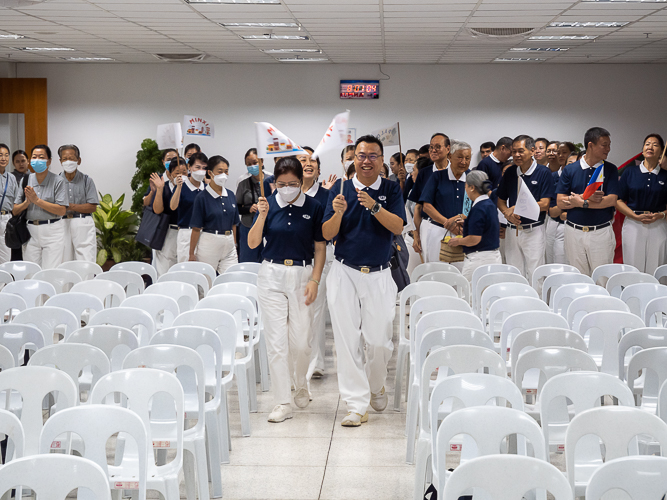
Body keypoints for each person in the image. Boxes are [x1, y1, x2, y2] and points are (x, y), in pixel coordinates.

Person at [322, 135, 406, 427]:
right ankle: (356, 405)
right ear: (352, 159)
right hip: (344, 271)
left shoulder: (391, 189)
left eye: (373, 155)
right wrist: (338, 212)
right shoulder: (340, 188)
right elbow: (327, 233)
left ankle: (376, 385)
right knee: (347, 340)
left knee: (379, 341)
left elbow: (398, 226)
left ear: (382, 160)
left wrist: (373, 206)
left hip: (380, 273)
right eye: (361, 155)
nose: (366, 160)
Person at [248, 157, 325, 423]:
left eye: (293, 183)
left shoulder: (314, 207)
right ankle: (282, 401)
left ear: (302, 181)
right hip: (271, 276)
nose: (288, 188)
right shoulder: (268, 205)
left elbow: (319, 247)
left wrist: (315, 280)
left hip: (303, 274)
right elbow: (253, 242)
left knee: (302, 343)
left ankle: (301, 382)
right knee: (277, 344)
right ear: (274, 183)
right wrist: (262, 215)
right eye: (282, 184)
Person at [557, 127, 619, 276]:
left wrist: (581, 202)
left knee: (602, 278)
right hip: (574, 232)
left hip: (601, 232)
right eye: (604, 145)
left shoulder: (610, 169)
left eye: (609, 145)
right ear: (590, 145)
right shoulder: (570, 170)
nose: (608, 149)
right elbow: (560, 202)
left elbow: (611, 200)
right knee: (579, 278)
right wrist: (586, 197)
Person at [297, 147, 334, 381]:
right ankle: (299, 360)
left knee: (318, 312)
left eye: (313, 160)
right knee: (300, 312)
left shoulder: (325, 195)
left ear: (318, 169)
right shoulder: (288, 193)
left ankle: (317, 361)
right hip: (296, 260)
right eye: (303, 160)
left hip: (319, 259)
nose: (308, 163)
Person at [497, 135, 554, 282]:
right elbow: (501, 200)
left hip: (533, 230)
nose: (516, 155)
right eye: (514, 151)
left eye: (521, 151)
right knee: (514, 272)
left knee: (535, 272)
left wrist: (516, 208)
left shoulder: (543, 172)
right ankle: (516, 303)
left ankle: (537, 303)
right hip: (512, 230)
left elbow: (545, 204)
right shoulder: (510, 172)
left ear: (532, 150)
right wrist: (506, 213)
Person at [616, 134, 667, 275]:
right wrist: (634, 216)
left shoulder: (665, 175)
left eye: (655, 144)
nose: (650, 146)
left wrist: (661, 215)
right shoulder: (630, 172)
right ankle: (631, 296)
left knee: (656, 266)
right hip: (633, 223)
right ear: (643, 149)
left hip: (658, 224)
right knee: (633, 267)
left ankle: (655, 295)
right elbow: (618, 200)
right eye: (647, 143)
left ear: (662, 152)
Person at [13, 144, 68, 269]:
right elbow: (15, 210)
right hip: (30, 231)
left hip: (52, 230)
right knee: (31, 271)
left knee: (50, 270)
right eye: (34, 157)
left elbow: (61, 210)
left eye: (41, 157)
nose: (37, 160)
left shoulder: (58, 180)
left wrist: (37, 201)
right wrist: (27, 203)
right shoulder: (26, 179)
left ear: (49, 161)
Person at [419, 140, 472, 268]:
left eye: (467, 158)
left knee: (462, 272)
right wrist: (447, 223)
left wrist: (463, 222)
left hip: (464, 232)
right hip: (439, 231)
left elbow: (480, 204)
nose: (463, 162)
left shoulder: (472, 178)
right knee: (437, 271)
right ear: (450, 156)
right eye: (459, 157)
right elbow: (426, 206)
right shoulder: (437, 177)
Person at [189, 155, 239, 273]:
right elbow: (196, 228)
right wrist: (191, 253)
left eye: (226, 171)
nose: (224, 175)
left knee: (230, 277)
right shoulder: (202, 197)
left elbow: (234, 224)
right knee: (207, 278)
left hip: (229, 243)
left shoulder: (231, 195)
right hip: (210, 242)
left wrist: (234, 244)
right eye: (220, 171)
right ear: (210, 173)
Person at [448, 170, 500, 281]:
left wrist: (458, 241)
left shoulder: (478, 208)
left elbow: (474, 239)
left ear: (472, 187)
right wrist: (468, 224)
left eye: (466, 186)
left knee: (469, 294)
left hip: (479, 259)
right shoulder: (489, 204)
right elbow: (487, 225)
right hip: (493, 257)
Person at [409, 133, 450, 260]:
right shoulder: (425, 173)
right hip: (429, 225)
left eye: (438, 147)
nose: (433, 150)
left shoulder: (456, 172)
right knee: (431, 265)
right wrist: (416, 235)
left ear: (448, 148)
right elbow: (418, 207)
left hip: (454, 226)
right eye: (431, 147)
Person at [58, 144, 99, 263]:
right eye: (65, 159)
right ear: (60, 161)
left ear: (78, 160)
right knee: (63, 260)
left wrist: (69, 206)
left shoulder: (87, 180)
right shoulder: (55, 181)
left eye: (71, 158)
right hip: (61, 223)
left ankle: (86, 282)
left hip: (83, 222)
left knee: (86, 259)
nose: (68, 162)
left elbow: (92, 207)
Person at [152, 157, 187, 276]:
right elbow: (157, 210)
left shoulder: (192, 188)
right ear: (170, 174)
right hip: (169, 231)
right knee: (165, 268)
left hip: (187, 232)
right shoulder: (165, 187)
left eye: (184, 172)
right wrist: (159, 189)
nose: (181, 176)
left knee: (184, 268)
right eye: (177, 173)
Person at [170, 152, 207, 263]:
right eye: (197, 167)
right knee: (186, 267)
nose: (201, 171)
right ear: (189, 167)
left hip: (205, 233)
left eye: (204, 168)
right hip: (187, 232)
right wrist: (178, 188)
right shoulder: (182, 186)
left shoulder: (207, 188)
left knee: (204, 268)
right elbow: (173, 206)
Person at [236, 148, 266, 263]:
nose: (252, 166)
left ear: (261, 162)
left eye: (255, 163)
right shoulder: (243, 183)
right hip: (248, 227)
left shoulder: (271, 181)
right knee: (248, 261)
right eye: (249, 164)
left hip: (268, 228)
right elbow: (237, 208)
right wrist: (248, 208)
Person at [545, 142, 572, 265]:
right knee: (552, 259)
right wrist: (566, 206)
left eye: (564, 153)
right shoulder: (552, 176)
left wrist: (564, 207)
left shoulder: (578, 177)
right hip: (554, 221)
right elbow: (552, 210)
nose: (560, 155)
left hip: (572, 224)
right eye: (558, 152)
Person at [0, 145, 19, 264]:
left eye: (6, 155)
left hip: (7, 218)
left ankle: (3, 283)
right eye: (0, 155)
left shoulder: (11, 178)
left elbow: (16, 200)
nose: (3, 158)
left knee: (5, 255)